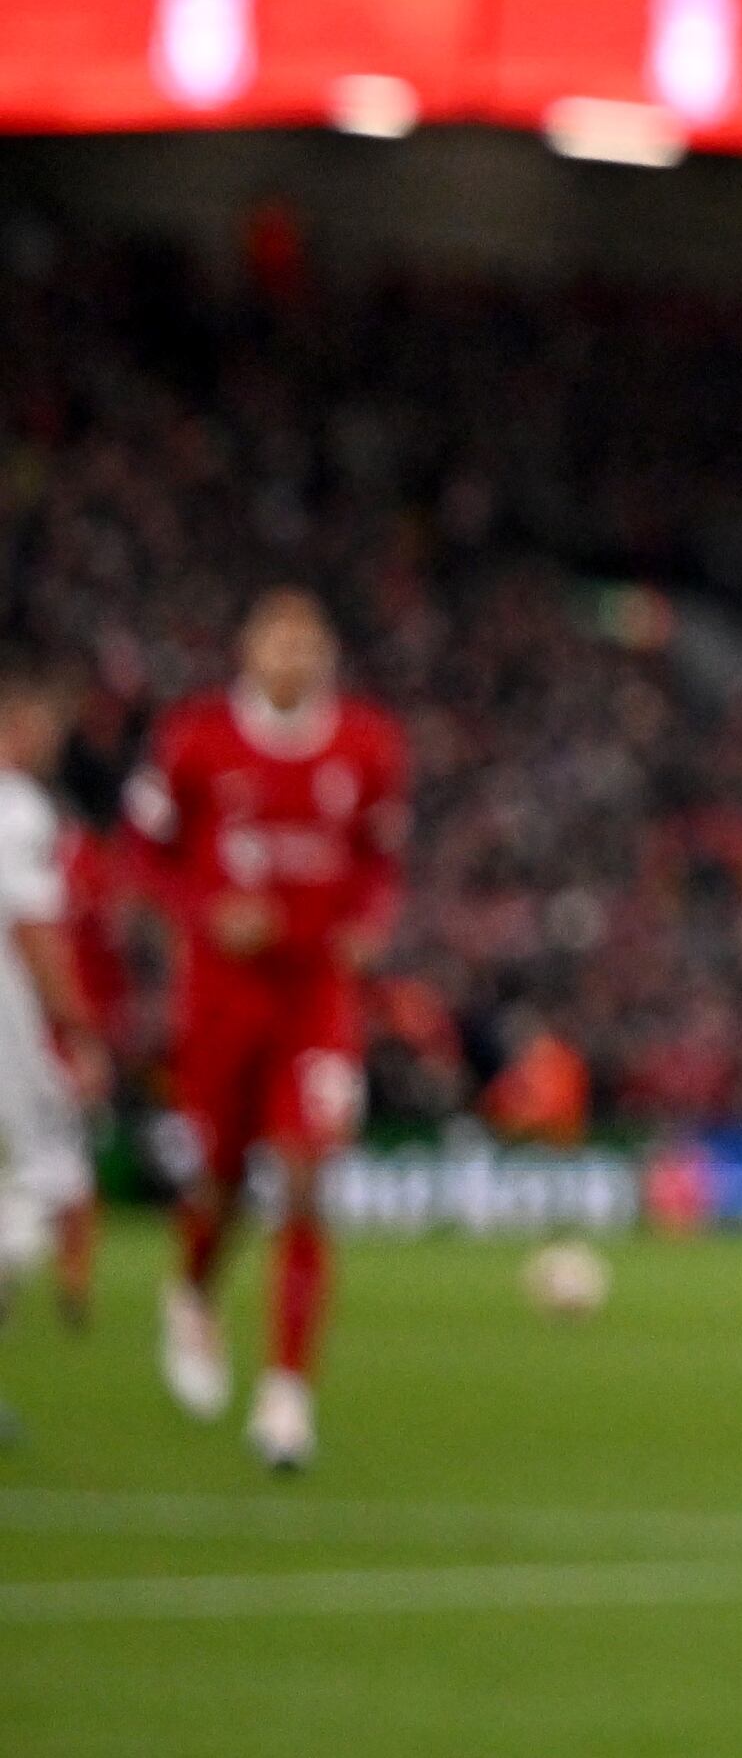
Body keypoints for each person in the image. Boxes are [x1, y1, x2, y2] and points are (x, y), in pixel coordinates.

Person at [125, 587, 407, 1472]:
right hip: (221, 994)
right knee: (221, 1178)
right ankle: (194, 1290)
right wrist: (206, 911)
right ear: (247, 649)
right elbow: (141, 855)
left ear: (325, 651)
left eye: (307, 639)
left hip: (317, 992)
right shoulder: (194, 737)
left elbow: (380, 861)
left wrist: (371, 922)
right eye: (275, 638)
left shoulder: (368, 743)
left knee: (305, 1174)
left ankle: (287, 1397)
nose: (292, 653)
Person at [1, 655, 109, 1420]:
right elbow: (36, 933)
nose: (51, 741)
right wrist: (79, 1029)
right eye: (42, 727)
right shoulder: (19, 810)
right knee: (39, 1187)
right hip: (7, 1028)